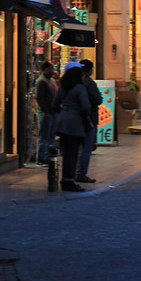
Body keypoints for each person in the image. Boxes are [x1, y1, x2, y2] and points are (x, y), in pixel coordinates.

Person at [53, 63, 92, 191]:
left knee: (66, 152)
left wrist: (63, 112)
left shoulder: (62, 88)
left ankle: (65, 178)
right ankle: (69, 180)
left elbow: (55, 105)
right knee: (73, 152)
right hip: (75, 122)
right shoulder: (80, 88)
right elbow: (86, 106)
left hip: (63, 122)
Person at [76, 59, 103, 184]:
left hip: (75, 119)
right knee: (86, 147)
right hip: (88, 119)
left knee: (77, 147)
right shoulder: (89, 83)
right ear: (90, 70)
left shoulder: (74, 82)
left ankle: (74, 172)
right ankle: (81, 173)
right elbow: (97, 99)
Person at [35, 60, 58, 164]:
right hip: (45, 113)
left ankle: (48, 155)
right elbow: (40, 98)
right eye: (51, 68)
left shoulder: (51, 81)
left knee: (50, 135)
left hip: (52, 112)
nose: (53, 70)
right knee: (44, 135)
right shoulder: (41, 81)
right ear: (46, 69)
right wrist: (45, 111)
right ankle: (41, 157)